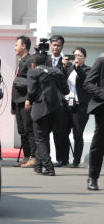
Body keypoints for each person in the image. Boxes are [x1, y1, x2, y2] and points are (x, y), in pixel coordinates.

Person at [27, 53, 68, 176]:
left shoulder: (33, 72)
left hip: (40, 108)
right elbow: (66, 90)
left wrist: (30, 99)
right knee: (44, 136)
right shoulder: (56, 72)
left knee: (40, 138)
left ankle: (49, 167)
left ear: (33, 64)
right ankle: (38, 166)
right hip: (56, 108)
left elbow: (31, 91)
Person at [11, 36, 36, 167]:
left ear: (24, 46)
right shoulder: (21, 61)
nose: (15, 47)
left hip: (25, 100)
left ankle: (33, 157)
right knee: (22, 130)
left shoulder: (30, 60)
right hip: (18, 101)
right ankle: (26, 156)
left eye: (17, 45)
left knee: (28, 129)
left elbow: (32, 82)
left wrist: (29, 98)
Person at [47, 34, 72, 165]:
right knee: (46, 131)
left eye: (58, 45)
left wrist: (63, 66)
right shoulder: (45, 60)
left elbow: (66, 80)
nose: (56, 47)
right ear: (50, 45)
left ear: (62, 46)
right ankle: (46, 159)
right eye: (54, 44)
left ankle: (63, 158)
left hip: (61, 101)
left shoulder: (67, 63)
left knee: (61, 131)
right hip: (46, 101)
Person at [65, 47, 90, 168]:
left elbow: (83, 79)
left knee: (77, 134)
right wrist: (64, 66)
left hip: (80, 107)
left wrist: (77, 67)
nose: (77, 58)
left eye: (80, 55)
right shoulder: (69, 69)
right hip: (67, 104)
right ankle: (63, 158)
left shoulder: (87, 69)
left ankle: (76, 160)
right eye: (75, 55)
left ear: (84, 57)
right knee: (63, 132)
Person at [83, 54, 104, 190]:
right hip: (103, 107)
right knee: (100, 143)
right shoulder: (101, 61)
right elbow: (87, 83)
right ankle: (93, 177)